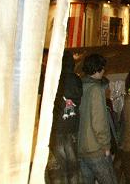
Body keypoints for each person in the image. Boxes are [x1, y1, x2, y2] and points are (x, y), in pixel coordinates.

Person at [78, 53, 118, 184]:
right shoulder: (95, 89)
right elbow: (98, 121)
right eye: (103, 68)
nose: (104, 71)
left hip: (80, 148)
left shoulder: (79, 87)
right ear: (97, 69)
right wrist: (106, 145)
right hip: (95, 148)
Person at [47, 51, 83, 184]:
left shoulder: (54, 78)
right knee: (72, 164)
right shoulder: (77, 80)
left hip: (56, 126)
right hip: (72, 125)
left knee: (58, 166)